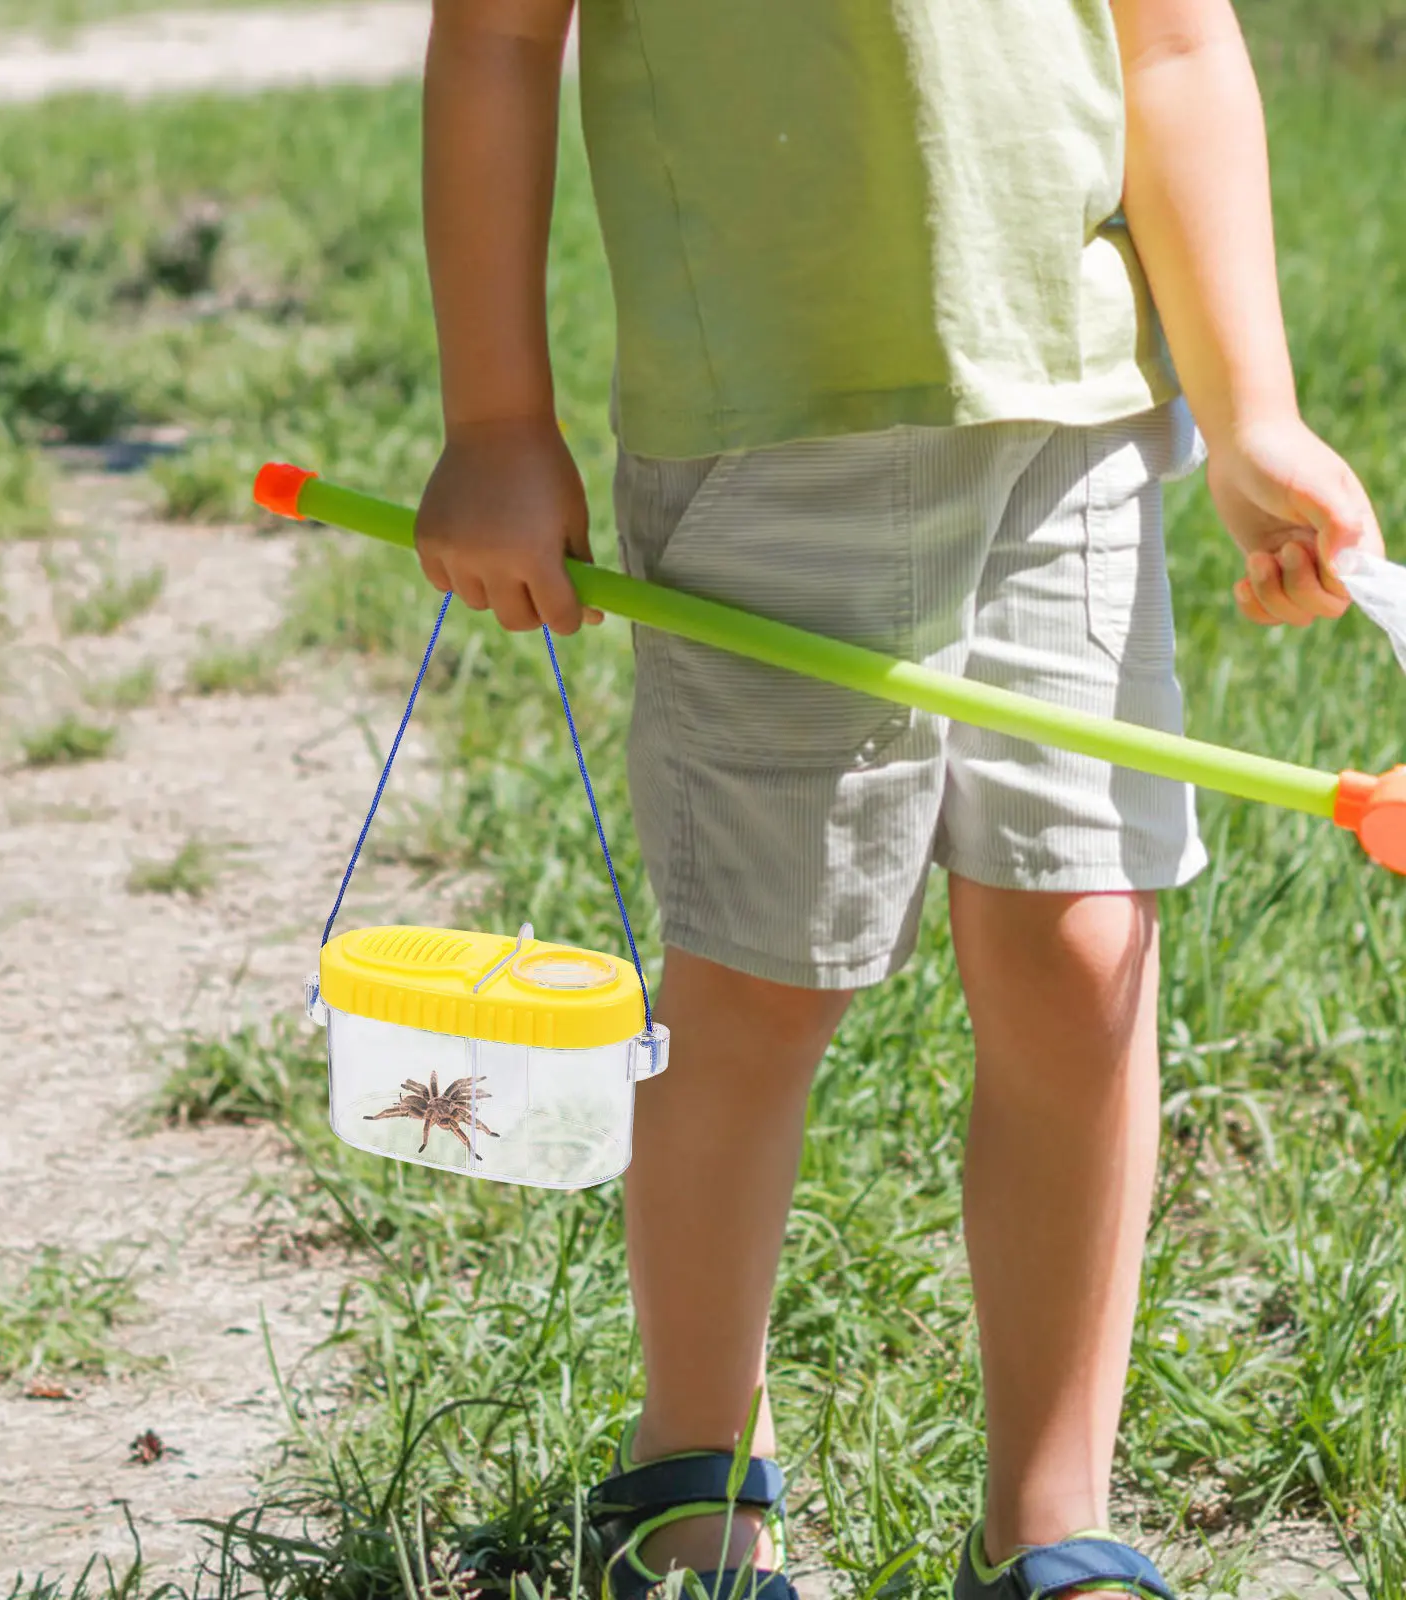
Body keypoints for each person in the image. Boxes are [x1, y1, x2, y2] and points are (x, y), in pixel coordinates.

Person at [411, 3, 1384, 1598]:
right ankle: (693, 1473)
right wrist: (498, 420)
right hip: (765, 434)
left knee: (1083, 952)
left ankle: (1052, 1516)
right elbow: (498, 40)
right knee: (757, 975)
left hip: (1074, 433)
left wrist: (1254, 409)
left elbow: (1182, 51)